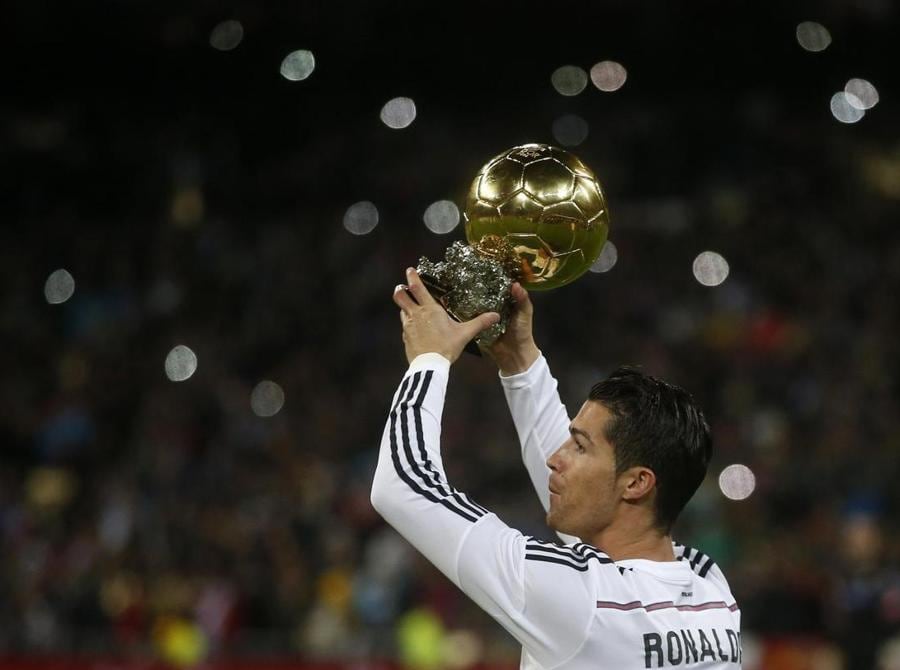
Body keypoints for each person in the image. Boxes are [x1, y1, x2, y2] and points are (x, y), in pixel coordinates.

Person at [371, 267, 741, 669]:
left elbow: (403, 488)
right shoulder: (710, 592)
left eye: (579, 446)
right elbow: (594, 489)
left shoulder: (586, 602)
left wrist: (430, 359)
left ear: (636, 483)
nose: (555, 458)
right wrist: (519, 359)